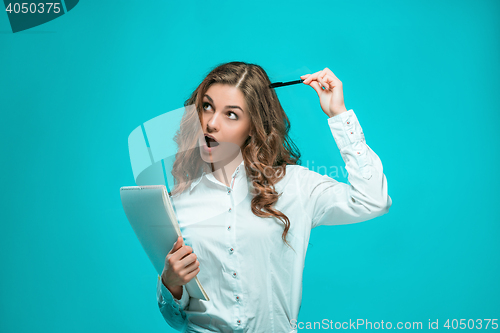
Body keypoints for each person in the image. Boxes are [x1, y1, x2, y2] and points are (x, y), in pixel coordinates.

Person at [156, 61, 392, 332]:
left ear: (253, 126)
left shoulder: (295, 186)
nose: (211, 123)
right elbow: (176, 320)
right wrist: (170, 283)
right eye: (207, 107)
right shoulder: (179, 202)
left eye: (231, 114)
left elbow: (373, 200)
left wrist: (338, 115)